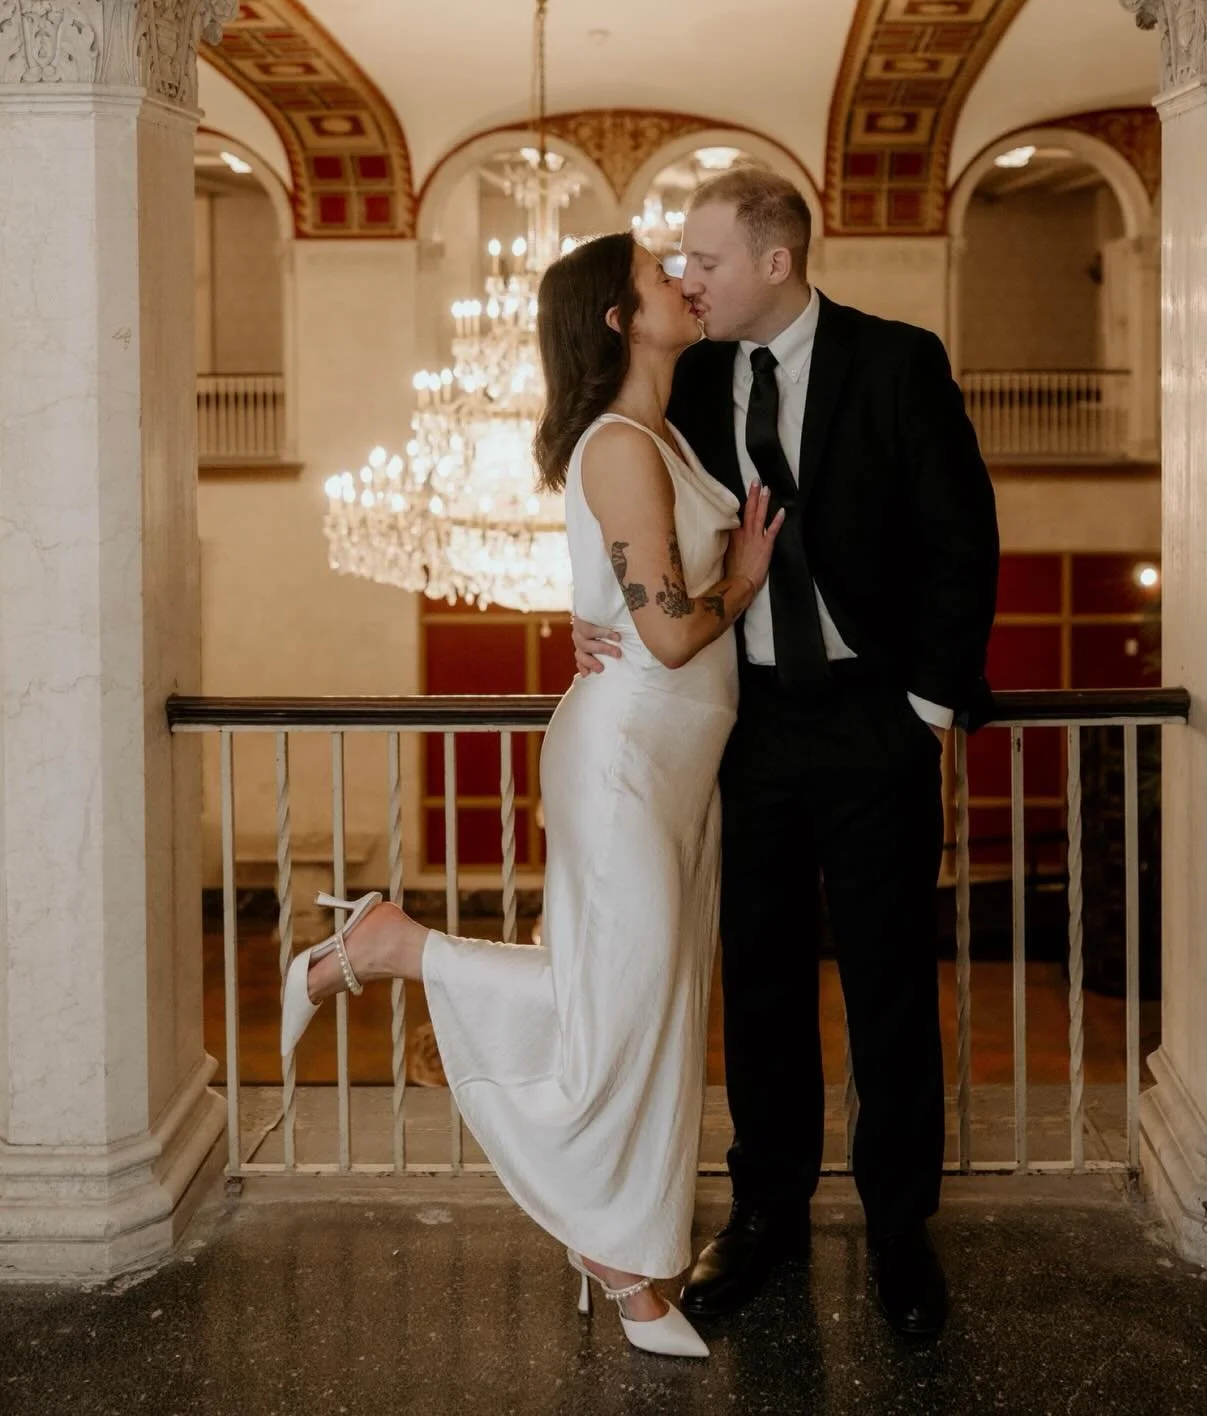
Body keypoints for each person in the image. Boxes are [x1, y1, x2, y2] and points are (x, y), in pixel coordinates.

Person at [279, 232, 783, 1360]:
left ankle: (626, 1249)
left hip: (677, 764)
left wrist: (634, 598)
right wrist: (744, 579)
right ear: (618, 317)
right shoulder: (620, 445)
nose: (683, 282)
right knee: (613, 1003)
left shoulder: (661, 431)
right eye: (658, 276)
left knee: (650, 1012)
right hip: (625, 759)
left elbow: (635, 597)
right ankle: (391, 947)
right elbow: (666, 634)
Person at [574, 168, 999, 1338]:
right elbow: (626, 506)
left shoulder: (897, 361)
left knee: (889, 982)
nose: (688, 277)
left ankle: (900, 1228)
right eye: (679, 262)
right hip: (743, 721)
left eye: (705, 259)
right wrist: (593, 611)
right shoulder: (690, 376)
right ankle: (765, 1213)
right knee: (757, 981)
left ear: (775, 261)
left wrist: (925, 710)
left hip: (875, 718)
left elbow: (962, 540)